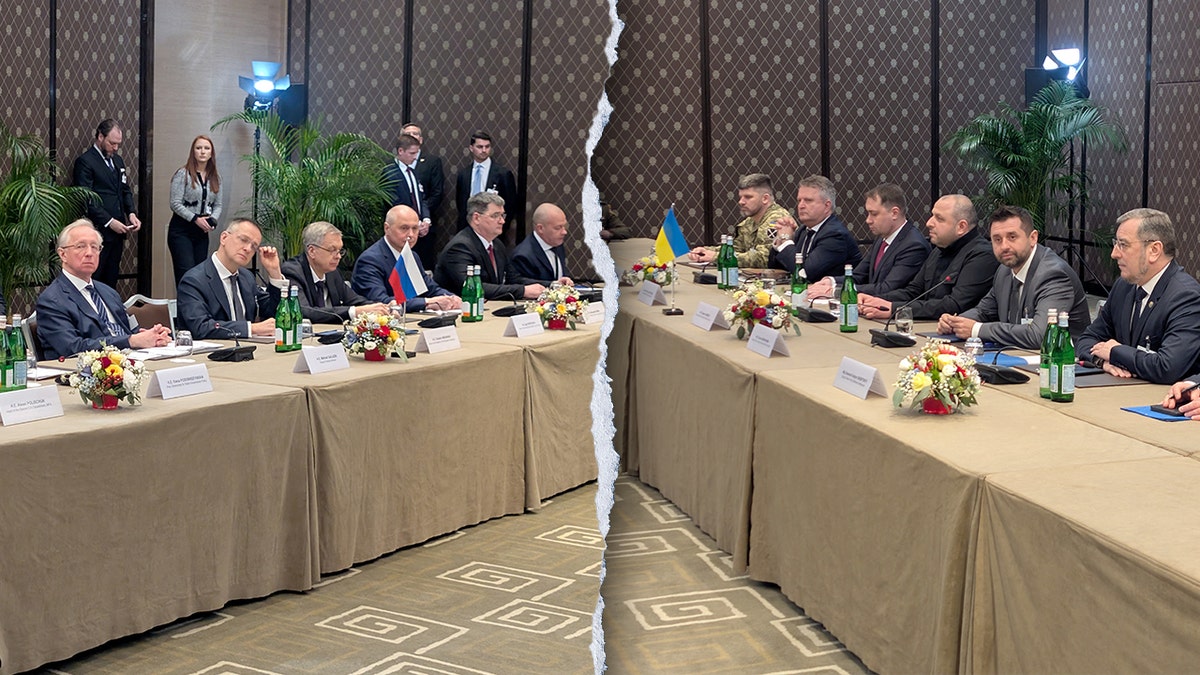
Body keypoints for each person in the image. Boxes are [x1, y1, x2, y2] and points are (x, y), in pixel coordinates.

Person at [1076, 208, 1200, 384]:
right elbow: (1086, 339)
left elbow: (1167, 367)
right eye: (1115, 243)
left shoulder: (1186, 297)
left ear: (1154, 250)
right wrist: (1102, 361)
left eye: (1123, 244)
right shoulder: (1124, 286)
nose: (1114, 253)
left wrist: (1115, 352)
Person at [938, 205, 1089, 349]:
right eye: (997, 239)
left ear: (1033, 238)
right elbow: (983, 311)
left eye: (1012, 237)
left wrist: (977, 329)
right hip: (1018, 355)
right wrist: (955, 322)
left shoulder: (1054, 275)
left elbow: (1040, 335)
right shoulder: (1004, 270)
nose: (1004, 246)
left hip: (1063, 366)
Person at [34, 219, 170, 360]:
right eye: (80, 246)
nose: (89, 253)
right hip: (84, 373)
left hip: (131, 362)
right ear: (63, 254)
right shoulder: (52, 300)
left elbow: (130, 330)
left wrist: (152, 336)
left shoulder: (108, 292)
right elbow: (72, 348)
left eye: (95, 247)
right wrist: (131, 341)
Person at [857, 194, 997, 321]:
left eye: (939, 218)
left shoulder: (982, 255)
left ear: (961, 227)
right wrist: (875, 300)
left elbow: (954, 305)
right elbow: (913, 291)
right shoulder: (939, 250)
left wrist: (895, 309)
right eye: (932, 215)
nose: (929, 223)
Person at [806, 183, 930, 298]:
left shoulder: (914, 246)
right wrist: (831, 282)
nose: (868, 220)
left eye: (874, 214)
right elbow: (860, 275)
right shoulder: (882, 238)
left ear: (894, 213)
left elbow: (887, 288)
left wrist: (835, 291)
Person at [177, 218, 286, 339]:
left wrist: (275, 272)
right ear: (224, 238)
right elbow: (201, 327)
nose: (248, 249)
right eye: (243, 240)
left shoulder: (247, 277)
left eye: (254, 247)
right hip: (210, 354)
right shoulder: (194, 280)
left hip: (247, 351)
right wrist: (251, 328)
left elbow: (273, 313)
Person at [434, 192, 545, 300]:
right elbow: (473, 287)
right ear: (476, 218)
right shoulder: (460, 247)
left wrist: (552, 285)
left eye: (503, 215)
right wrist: (523, 291)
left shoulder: (497, 244)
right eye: (495, 216)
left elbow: (513, 279)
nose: (502, 221)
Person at [352, 205, 462, 312]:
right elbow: (381, 301)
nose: (411, 235)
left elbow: (430, 289)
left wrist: (451, 298)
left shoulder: (412, 256)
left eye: (415, 228)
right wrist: (427, 302)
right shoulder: (370, 260)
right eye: (404, 228)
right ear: (387, 228)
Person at [73, 119, 141, 287]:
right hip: (97, 231)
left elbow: (124, 190)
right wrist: (110, 222)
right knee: (95, 278)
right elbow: (86, 199)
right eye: (112, 143)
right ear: (100, 137)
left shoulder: (118, 161)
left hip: (118, 232)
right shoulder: (86, 162)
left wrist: (131, 213)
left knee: (111, 279)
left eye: (118, 144)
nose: (115, 148)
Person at [281, 221, 391, 323]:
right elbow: (304, 311)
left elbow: (356, 300)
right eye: (332, 250)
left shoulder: (331, 272)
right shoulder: (292, 272)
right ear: (312, 251)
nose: (338, 256)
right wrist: (353, 312)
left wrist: (382, 308)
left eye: (340, 250)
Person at [768, 175, 862, 280]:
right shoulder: (803, 230)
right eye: (799, 200)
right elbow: (775, 268)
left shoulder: (835, 235)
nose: (801, 206)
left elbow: (804, 275)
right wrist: (780, 240)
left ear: (827, 206)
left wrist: (786, 242)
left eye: (808, 200)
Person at [686, 173, 791, 268]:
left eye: (748, 197)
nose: (741, 202)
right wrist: (707, 251)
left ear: (765, 199)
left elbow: (764, 259)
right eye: (740, 197)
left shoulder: (777, 219)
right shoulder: (750, 221)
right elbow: (737, 248)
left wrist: (717, 257)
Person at [167, 134, 222, 288]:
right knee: (186, 274)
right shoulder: (182, 174)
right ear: (193, 152)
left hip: (202, 233)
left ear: (211, 153)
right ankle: (184, 311)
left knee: (200, 275)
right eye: (198, 148)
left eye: (206, 148)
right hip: (181, 231)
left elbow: (218, 205)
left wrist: (213, 220)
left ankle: (197, 310)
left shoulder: (216, 178)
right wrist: (195, 219)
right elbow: (175, 203)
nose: (202, 151)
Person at [454, 131, 519, 241]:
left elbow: (511, 205)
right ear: (471, 148)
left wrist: (500, 226)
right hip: (467, 230)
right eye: (480, 147)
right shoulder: (464, 174)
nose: (484, 150)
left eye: (487, 147)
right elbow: (460, 203)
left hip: (493, 232)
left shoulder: (503, 174)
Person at [401, 123, 446, 265]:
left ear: (421, 139)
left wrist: (425, 220)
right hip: (403, 228)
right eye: (408, 135)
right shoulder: (392, 169)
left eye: (415, 134)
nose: (412, 137)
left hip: (424, 228)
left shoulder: (431, 162)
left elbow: (429, 196)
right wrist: (414, 221)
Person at [510, 203, 572, 285]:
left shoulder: (556, 243)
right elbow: (523, 285)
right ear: (540, 228)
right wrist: (554, 285)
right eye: (558, 228)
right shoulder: (523, 256)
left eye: (564, 226)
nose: (564, 232)